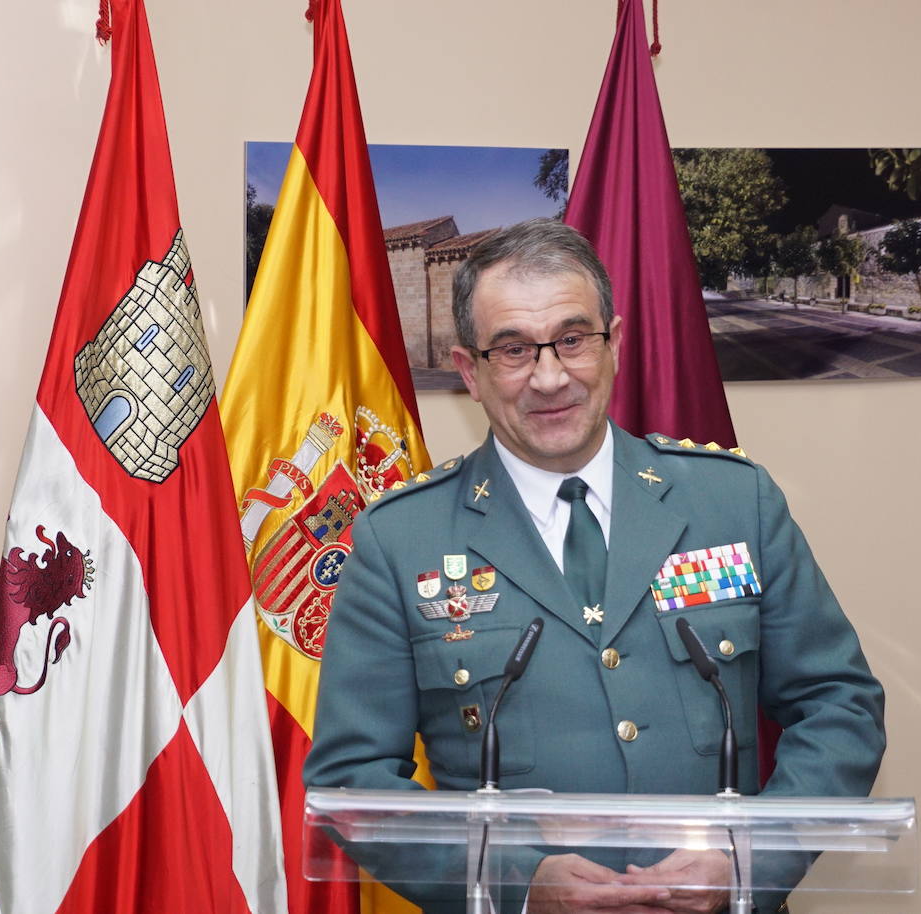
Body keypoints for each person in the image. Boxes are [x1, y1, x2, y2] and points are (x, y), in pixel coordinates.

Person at [303, 219, 886, 914]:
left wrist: (748, 860)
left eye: (573, 340)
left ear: (615, 344)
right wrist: (515, 882)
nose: (551, 378)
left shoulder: (734, 502)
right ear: (469, 372)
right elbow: (352, 776)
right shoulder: (400, 539)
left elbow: (840, 705)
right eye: (513, 350)